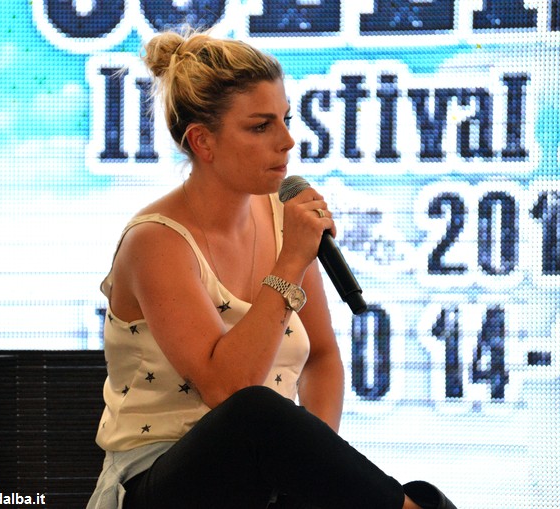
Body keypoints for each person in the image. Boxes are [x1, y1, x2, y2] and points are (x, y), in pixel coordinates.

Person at [86, 28, 457, 509]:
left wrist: (314, 475)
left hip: (263, 486)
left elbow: (322, 358)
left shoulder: (285, 220)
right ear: (203, 141)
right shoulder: (156, 242)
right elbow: (229, 390)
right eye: (261, 127)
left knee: (406, 489)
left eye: (286, 120)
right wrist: (291, 262)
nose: (287, 141)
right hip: (156, 483)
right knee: (256, 409)